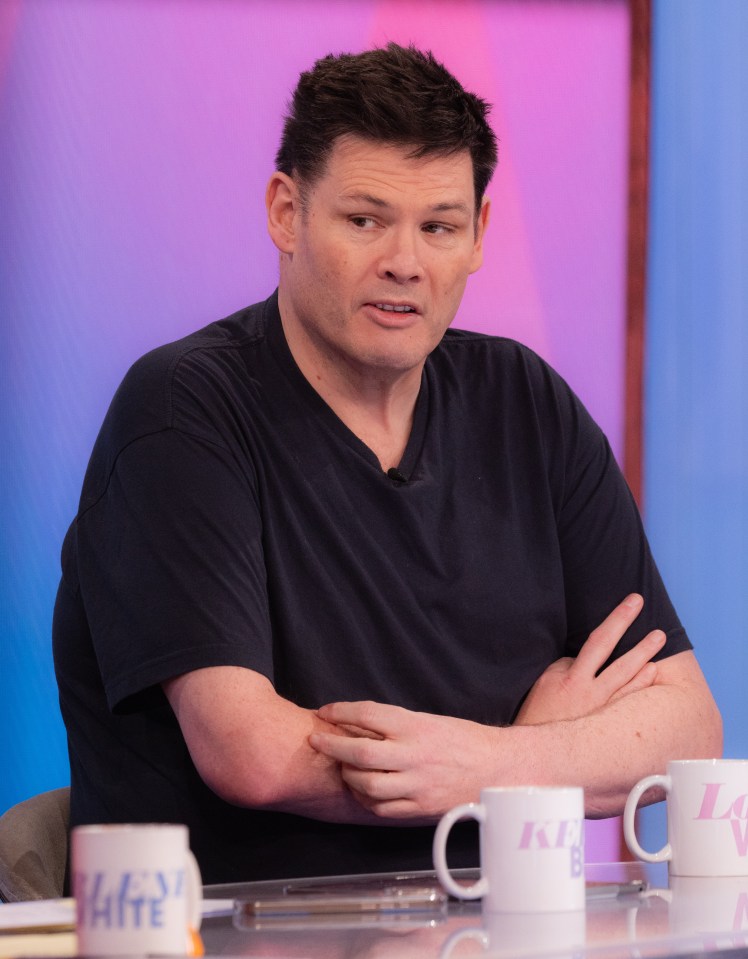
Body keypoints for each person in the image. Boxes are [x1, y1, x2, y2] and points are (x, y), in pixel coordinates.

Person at [53, 43, 721, 884]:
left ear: (478, 236)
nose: (405, 261)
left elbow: (686, 728)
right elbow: (252, 752)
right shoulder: (182, 410)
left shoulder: (526, 402)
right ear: (285, 212)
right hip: (235, 932)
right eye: (365, 219)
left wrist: (489, 765)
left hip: (487, 932)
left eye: (438, 226)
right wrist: (536, 756)